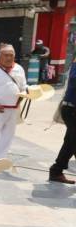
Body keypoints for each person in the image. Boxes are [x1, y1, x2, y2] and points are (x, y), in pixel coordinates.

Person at [49, 55, 76, 184]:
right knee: (72, 141)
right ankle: (56, 171)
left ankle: (56, 171)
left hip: (71, 109)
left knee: (70, 142)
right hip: (72, 110)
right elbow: (74, 80)